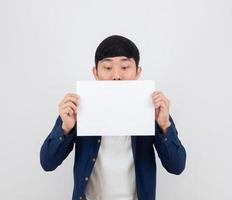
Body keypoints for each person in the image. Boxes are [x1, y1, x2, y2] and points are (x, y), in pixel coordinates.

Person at [40, 35, 186, 200]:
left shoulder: (152, 110)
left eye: (125, 67)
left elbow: (177, 166)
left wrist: (164, 126)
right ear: (95, 73)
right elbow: (47, 163)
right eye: (108, 68)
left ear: (138, 72)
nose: (116, 76)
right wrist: (65, 128)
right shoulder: (78, 108)